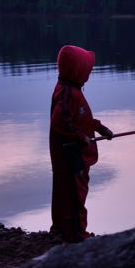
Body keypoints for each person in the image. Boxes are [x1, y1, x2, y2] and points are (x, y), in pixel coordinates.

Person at [49, 45, 113, 242]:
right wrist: (79, 137)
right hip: (71, 156)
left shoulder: (71, 90)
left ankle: (60, 230)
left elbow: (82, 119)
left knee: (65, 193)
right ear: (77, 70)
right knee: (75, 195)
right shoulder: (68, 93)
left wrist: (100, 129)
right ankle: (77, 234)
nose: (89, 73)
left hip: (70, 155)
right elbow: (60, 121)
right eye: (87, 69)